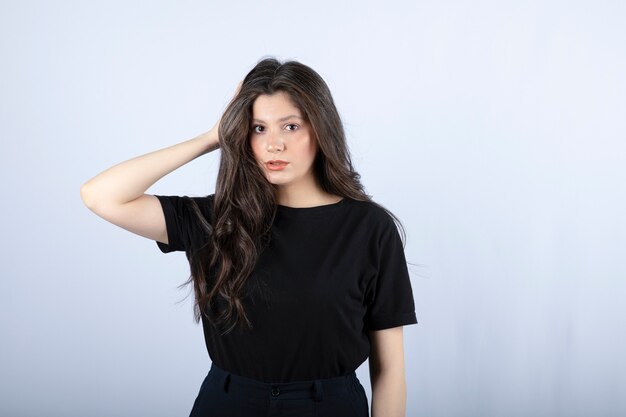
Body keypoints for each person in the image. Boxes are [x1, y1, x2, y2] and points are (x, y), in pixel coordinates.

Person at [80, 57, 418, 417]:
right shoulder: (215, 219)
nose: (273, 144)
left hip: (329, 405)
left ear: (321, 130)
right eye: (258, 128)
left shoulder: (369, 228)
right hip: (228, 403)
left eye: (290, 127)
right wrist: (210, 138)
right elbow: (100, 196)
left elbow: (390, 368)